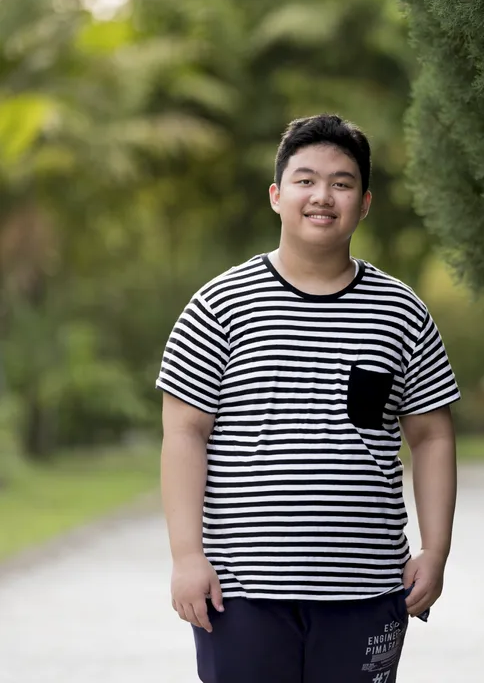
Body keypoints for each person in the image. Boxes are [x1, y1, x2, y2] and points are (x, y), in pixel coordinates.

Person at [157, 113, 460, 683]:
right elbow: (184, 433)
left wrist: (435, 550)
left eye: (342, 183)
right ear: (276, 195)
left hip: (368, 587)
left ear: (364, 202)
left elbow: (432, 434)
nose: (323, 196)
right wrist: (186, 556)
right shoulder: (218, 305)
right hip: (242, 591)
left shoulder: (401, 311)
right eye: (305, 180)